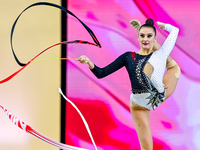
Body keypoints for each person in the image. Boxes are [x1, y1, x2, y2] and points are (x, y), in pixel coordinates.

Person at [78, 19, 179, 150]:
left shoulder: (160, 54)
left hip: (157, 97)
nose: (145, 39)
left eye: (149, 36)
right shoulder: (128, 57)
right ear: (137, 38)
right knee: (147, 148)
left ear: (155, 38)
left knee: (174, 68)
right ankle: (144, 32)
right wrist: (88, 62)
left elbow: (174, 31)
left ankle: (147, 32)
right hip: (138, 104)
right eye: (142, 35)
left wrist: (163, 25)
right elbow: (101, 73)